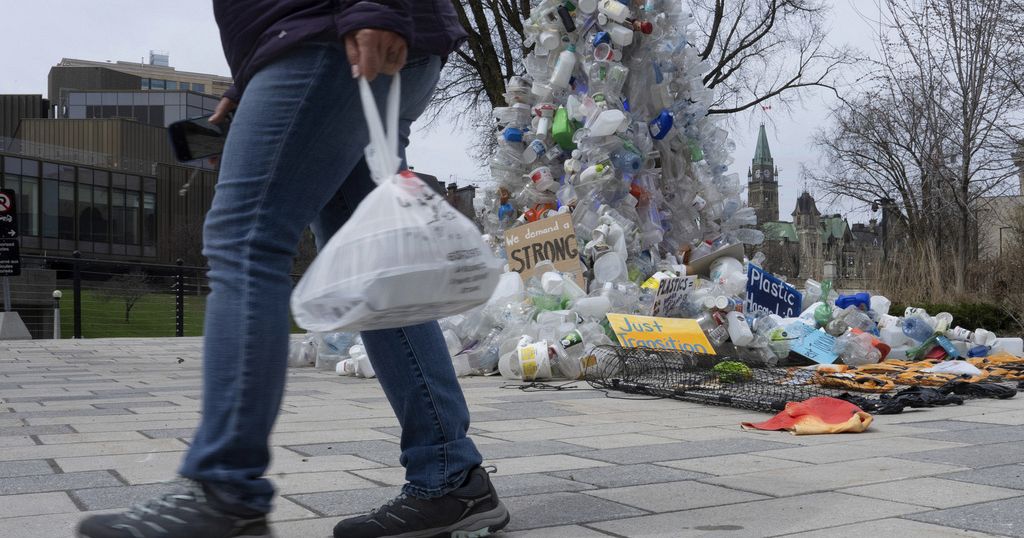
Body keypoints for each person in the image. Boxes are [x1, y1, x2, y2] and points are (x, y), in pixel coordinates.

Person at [77, 1, 509, 537]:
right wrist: (246, 81)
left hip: (332, 29)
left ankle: (223, 491)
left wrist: (374, 7)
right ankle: (449, 478)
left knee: (245, 239)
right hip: (328, 32)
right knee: (380, 271)